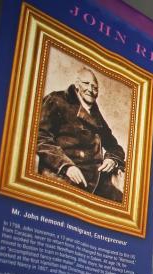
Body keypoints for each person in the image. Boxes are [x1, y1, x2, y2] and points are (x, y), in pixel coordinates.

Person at [37, 67, 126, 201]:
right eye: (86, 84)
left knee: (123, 204)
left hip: (95, 179)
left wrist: (112, 159)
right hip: (61, 174)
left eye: (95, 87)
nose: (90, 89)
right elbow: (40, 137)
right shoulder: (56, 100)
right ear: (77, 85)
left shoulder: (95, 114)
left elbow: (115, 147)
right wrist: (66, 166)